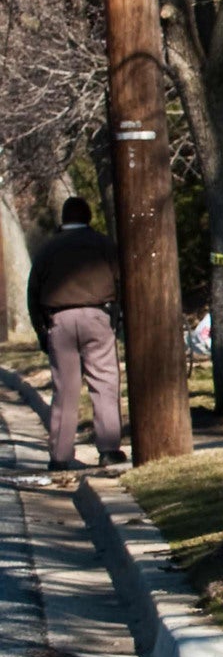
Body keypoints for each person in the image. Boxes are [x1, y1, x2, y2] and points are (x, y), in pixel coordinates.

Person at [27, 197, 126, 471]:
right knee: (104, 382)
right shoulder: (104, 244)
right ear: (89, 217)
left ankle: (60, 454)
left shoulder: (48, 249)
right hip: (98, 314)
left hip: (59, 319)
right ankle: (108, 448)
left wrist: (41, 330)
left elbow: (33, 292)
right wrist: (117, 317)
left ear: (63, 218)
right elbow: (121, 280)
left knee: (65, 389)